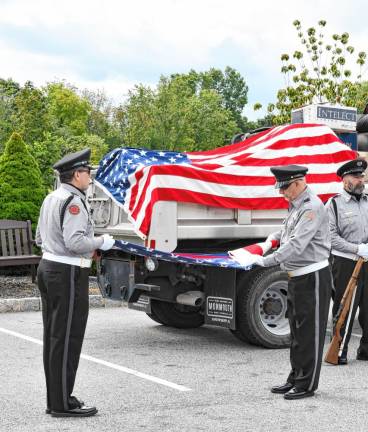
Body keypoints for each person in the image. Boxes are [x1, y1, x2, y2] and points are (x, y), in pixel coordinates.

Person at [36, 148, 115, 417]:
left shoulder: (51, 197)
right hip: (67, 274)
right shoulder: (73, 201)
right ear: (77, 174)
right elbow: (75, 242)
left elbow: (39, 237)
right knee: (67, 339)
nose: (90, 178)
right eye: (88, 173)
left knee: (54, 337)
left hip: (49, 268)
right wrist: (102, 242)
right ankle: (61, 404)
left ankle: (57, 399)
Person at [251, 165, 332, 400]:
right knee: (296, 332)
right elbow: (285, 233)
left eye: (285, 188)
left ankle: (307, 384)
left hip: (312, 276)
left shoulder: (312, 208)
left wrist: (265, 261)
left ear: (298, 183)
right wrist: (269, 241)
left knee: (310, 333)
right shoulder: (297, 205)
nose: (281, 192)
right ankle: (296, 377)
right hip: (297, 276)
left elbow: (296, 245)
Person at [327, 158, 368, 365]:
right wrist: (356, 248)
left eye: (362, 176)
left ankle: (366, 350)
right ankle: (339, 350)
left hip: (367, 260)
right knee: (345, 308)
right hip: (346, 262)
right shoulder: (334, 204)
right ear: (345, 180)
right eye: (356, 177)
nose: (361, 180)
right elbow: (331, 237)